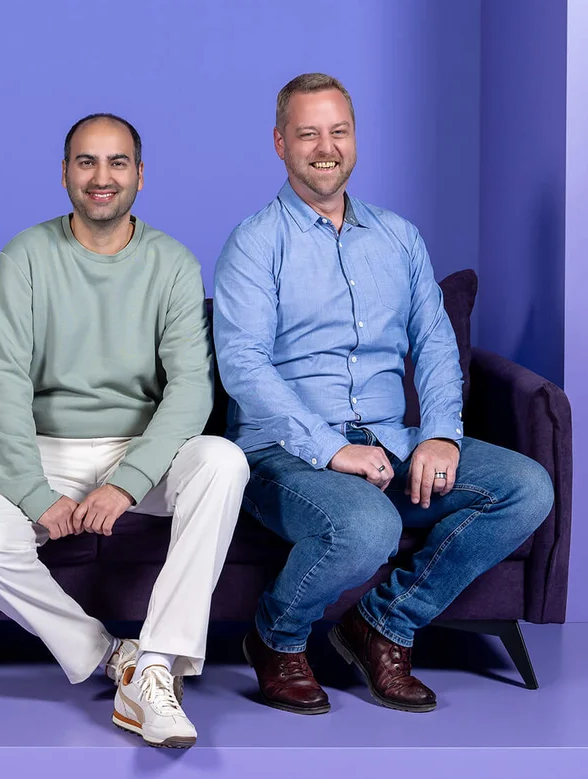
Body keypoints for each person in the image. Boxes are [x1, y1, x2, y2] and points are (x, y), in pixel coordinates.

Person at [213, 73, 554, 715]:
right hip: (281, 454)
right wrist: (328, 449)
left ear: (355, 140)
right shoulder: (256, 243)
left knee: (526, 487)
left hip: (390, 441)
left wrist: (440, 434)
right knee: (370, 524)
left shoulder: (400, 237)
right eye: (308, 132)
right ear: (280, 142)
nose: (325, 146)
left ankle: (383, 623)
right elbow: (243, 365)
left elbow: (433, 343)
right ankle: (276, 639)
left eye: (338, 131)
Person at [0, 113, 247, 748]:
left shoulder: (172, 263)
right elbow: (0, 381)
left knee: (224, 461)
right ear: (64, 173)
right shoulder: (26, 255)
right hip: (44, 449)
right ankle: (114, 656)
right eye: (86, 162)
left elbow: (191, 388)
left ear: (140, 176)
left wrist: (127, 482)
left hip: (140, 451)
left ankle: (159, 664)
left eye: (117, 163)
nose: (101, 177)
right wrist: (35, 493)